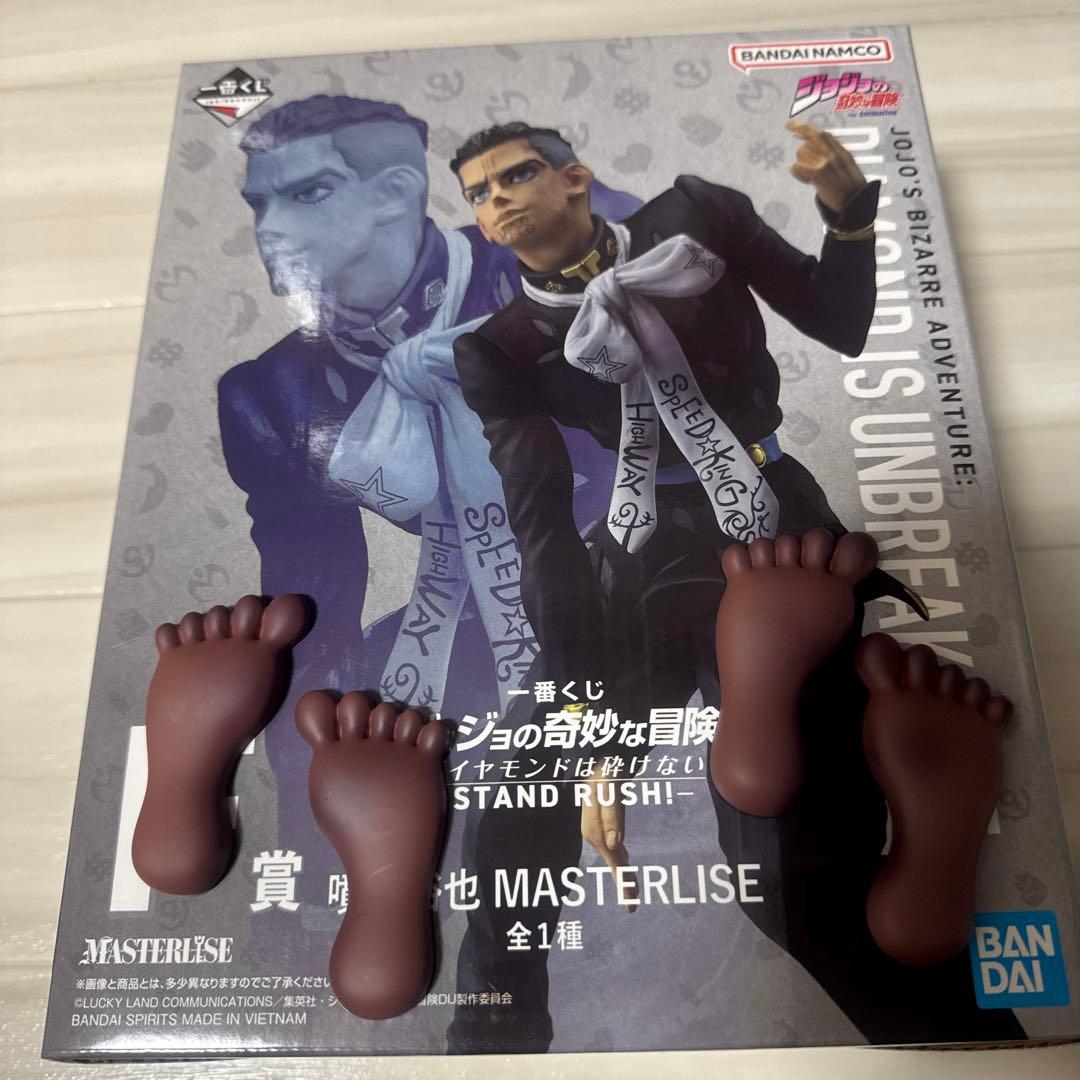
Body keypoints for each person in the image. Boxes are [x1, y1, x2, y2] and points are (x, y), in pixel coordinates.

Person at [445, 121, 1023, 1050]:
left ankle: (969, 1039)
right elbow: (541, 528)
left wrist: (847, 214)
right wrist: (585, 720)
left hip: (775, 538)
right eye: (479, 192)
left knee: (780, 864)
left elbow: (840, 322)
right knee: (514, 803)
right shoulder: (498, 348)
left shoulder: (695, 218)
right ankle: (487, 1056)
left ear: (575, 178)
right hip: (636, 555)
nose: (498, 198)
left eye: (516, 175)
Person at [217, 97, 640, 925]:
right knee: (382, 730)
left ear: (396, 192)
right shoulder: (273, 396)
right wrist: (315, 832)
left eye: (306, 194)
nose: (269, 227)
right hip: (469, 626)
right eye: (259, 202)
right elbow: (314, 618)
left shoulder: (540, 254)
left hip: (647, 582)